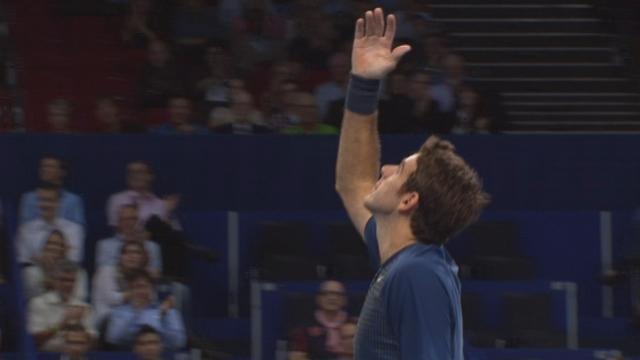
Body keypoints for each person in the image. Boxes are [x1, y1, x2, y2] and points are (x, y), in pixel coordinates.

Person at [334, 9, 489, 359]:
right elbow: (353, 182)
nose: (384, 169)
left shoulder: (417, 275)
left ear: (408, 202)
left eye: (399, 170)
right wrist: (363, 83)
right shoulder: (407, 261)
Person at [105, 270, 186, 350]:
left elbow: (178, 342)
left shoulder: (168, 311)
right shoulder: (120, 311)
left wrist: (163, 315)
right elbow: (113, 338)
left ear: (152, 289)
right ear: (130, 291)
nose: (140, 291)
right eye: (136, 287)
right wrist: (135, 312)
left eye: (144, 286)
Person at [27, 260, 96, 352]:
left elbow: (94, 341)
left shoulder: (83, 306)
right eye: (63, 280)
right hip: (46, 356)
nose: (67, 284)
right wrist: (62, 324)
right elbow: (34, 339)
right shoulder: (38, 303)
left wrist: (80, 326)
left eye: (71, 281)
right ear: (54, 281)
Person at [16, 184, 85, 264]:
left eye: (49, 200)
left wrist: (39, 259)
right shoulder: (26, 229)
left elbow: (75, 259)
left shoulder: (74, 229)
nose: (45, 204)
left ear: (59, 202)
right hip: (34, 274)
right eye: (42, 200)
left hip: (64, 273)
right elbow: (23, 260)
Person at [93, 241, 152, 325]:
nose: (131, 256)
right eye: (127, 252)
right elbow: (111, 299)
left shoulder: (143, 277)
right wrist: (134, 293)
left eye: (136, 253)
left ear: (142, 258)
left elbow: (150, 300)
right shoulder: (107, 271)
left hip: (134, 319)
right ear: (120, 257)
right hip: (107, 319)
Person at [106, 161, 180, 228]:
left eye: (139, 172)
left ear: (150, 176)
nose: (134, 175)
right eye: (131, 172)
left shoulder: (161, 204)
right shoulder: (116, 199)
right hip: (126, 242)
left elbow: (172, 232)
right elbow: (119, 231)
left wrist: (167, 213)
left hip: (156, 242)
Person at [289, 280, 351, 360]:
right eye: (326, 294)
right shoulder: (304, 327)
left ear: (344, 300)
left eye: (337, 294)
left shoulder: (356, 325)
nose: (332, 298)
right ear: (318, 299)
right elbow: (296, 357)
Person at [22, 230, 88, 301]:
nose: (53, 247)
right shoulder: (31, 272)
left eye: (58, 244)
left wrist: (52, 280)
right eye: (50, 243)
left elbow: (79, 298)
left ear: (65, 249)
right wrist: (47, 272)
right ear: (44, 248)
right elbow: (32, 298)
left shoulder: (79, 273)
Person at [96, 204, 162, 274]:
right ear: (118, 222)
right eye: (124, 219)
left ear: (139, 221)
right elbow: (105, 275)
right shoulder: (105, 246)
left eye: (132, 219)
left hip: (143, 282)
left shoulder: (152, 247)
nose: (128, 223)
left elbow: (156, 273)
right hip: (115, 282)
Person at [19, 156, 85, 225]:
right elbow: (24, 228)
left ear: (61, 172)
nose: (45, 169)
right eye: (43, 166)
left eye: (50, 166)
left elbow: (78, 229)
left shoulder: (73, 200)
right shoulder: (28, 199)